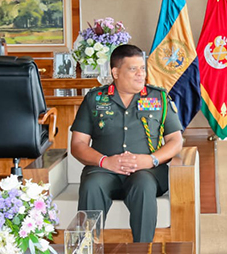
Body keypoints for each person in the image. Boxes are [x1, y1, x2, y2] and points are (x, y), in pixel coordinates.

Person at [70, 44, 183, 242]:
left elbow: (175, 140)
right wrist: (105, 161)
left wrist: (151, 160)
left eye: (142, 68)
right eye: (133, 69)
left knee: (143, 185)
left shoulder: (159, 98)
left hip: (147, 171)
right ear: (115, 72)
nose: (141, 74)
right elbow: (78, 143)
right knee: (91, 185)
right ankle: (86, 251)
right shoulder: (94, 99)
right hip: (104, 170)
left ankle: (144, 253)